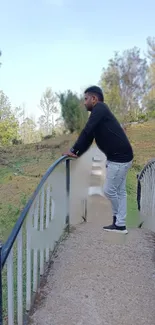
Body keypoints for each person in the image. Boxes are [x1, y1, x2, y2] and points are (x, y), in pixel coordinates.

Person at [63, 86, 133, 234]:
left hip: (120, 158)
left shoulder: (100, 108)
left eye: (86, 99)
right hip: (119, 157)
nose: (84, 102)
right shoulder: (99, 114)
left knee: (109, 190)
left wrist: (74, 149)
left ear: (94, 99)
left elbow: (87, 130)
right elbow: (89, 137)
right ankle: (119, 223)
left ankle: (119, 222)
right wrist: (77, 152)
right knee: (120, 192)